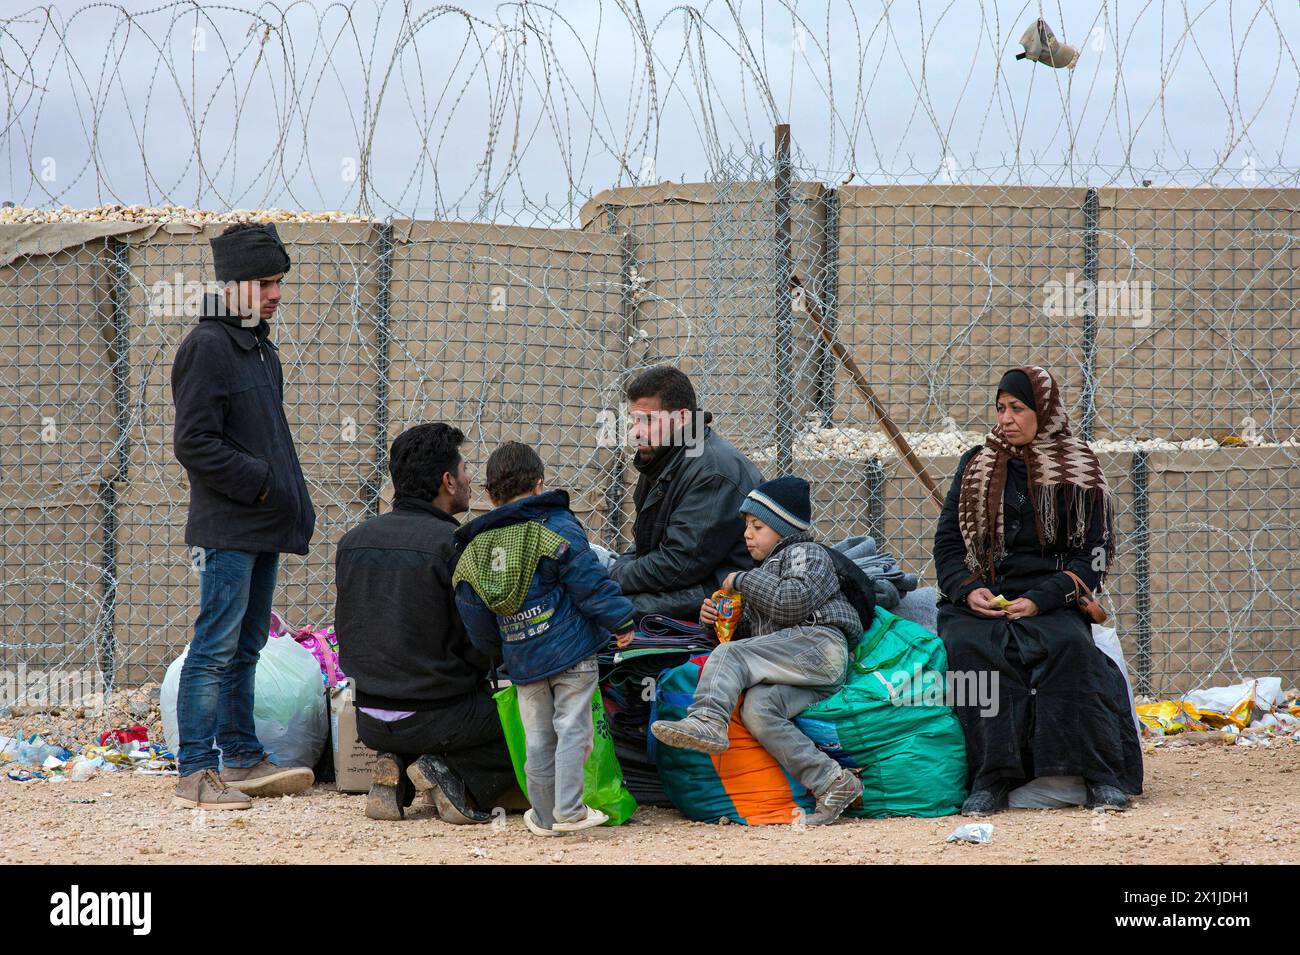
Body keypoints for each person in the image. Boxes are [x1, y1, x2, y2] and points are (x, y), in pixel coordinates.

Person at [932, 366, 1143, 816]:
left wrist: (1044, 598)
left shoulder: (1078, 467)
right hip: (985, 597)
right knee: (972, 650)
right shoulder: (976, 464)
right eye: (1001, 408)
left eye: (1018, 408)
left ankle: (1097, 774)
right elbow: (948, 544)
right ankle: (991, 778)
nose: (1006, 418)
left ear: (1043, 412)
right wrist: (969, 591)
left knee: (1069, 648)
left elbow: (1097, 551)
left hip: (1051, 597)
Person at [170, 221, 317, 810]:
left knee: (247, 646)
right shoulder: (207, 346)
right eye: (265, 282)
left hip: (261, 525)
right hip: (229, 527)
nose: (276, 293)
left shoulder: (257, 345)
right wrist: (260, 485)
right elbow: (195, 443)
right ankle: (196, 771)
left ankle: (240, 755)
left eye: (279, 280)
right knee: (214, 647)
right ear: (234, 284)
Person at [650, 476, 864, 826]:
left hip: (819, 646)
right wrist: (715, 619)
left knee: (730, 656)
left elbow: (792, 602)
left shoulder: (805, 553)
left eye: (758, 526)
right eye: (746, 526)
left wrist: (740, 580)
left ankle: (707, 719)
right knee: (759, 710)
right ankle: (832, 781)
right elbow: (756, 634)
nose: (747, 534)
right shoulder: (766, 572)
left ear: (784, 529)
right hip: (798, 667)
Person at [334, 424, 519, 823]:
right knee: (533, 718)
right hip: (439, 715)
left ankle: (393, 770)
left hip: (369, 717)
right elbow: (479, 645)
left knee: (435, 709)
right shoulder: (454, 544)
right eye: (466, 468)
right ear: (448, 481)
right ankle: (451, 774)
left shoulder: (353, 542)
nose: (472, 478)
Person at [453, 442, 636, 836]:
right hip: (572, 654)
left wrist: (499, 650)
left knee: (537, 739)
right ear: (539, 485)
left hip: (523, 660)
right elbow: (588, 580)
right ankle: (570, 810)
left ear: (490, 494)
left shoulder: (476, 547)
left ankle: (545, 815)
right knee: (573, 729)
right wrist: (620, 620)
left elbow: (472, 609)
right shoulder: (556, 525)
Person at [608, 366, 763, 621]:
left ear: (681, 419)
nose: (635, 432)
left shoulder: (712, 470)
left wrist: (611, 579)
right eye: (633, 420)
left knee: (607, 608)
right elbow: (647, 544)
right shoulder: (665, 457)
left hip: (717, 593)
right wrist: (614, 573)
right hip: (686, 581)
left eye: (648, 421)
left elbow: (678, 565)